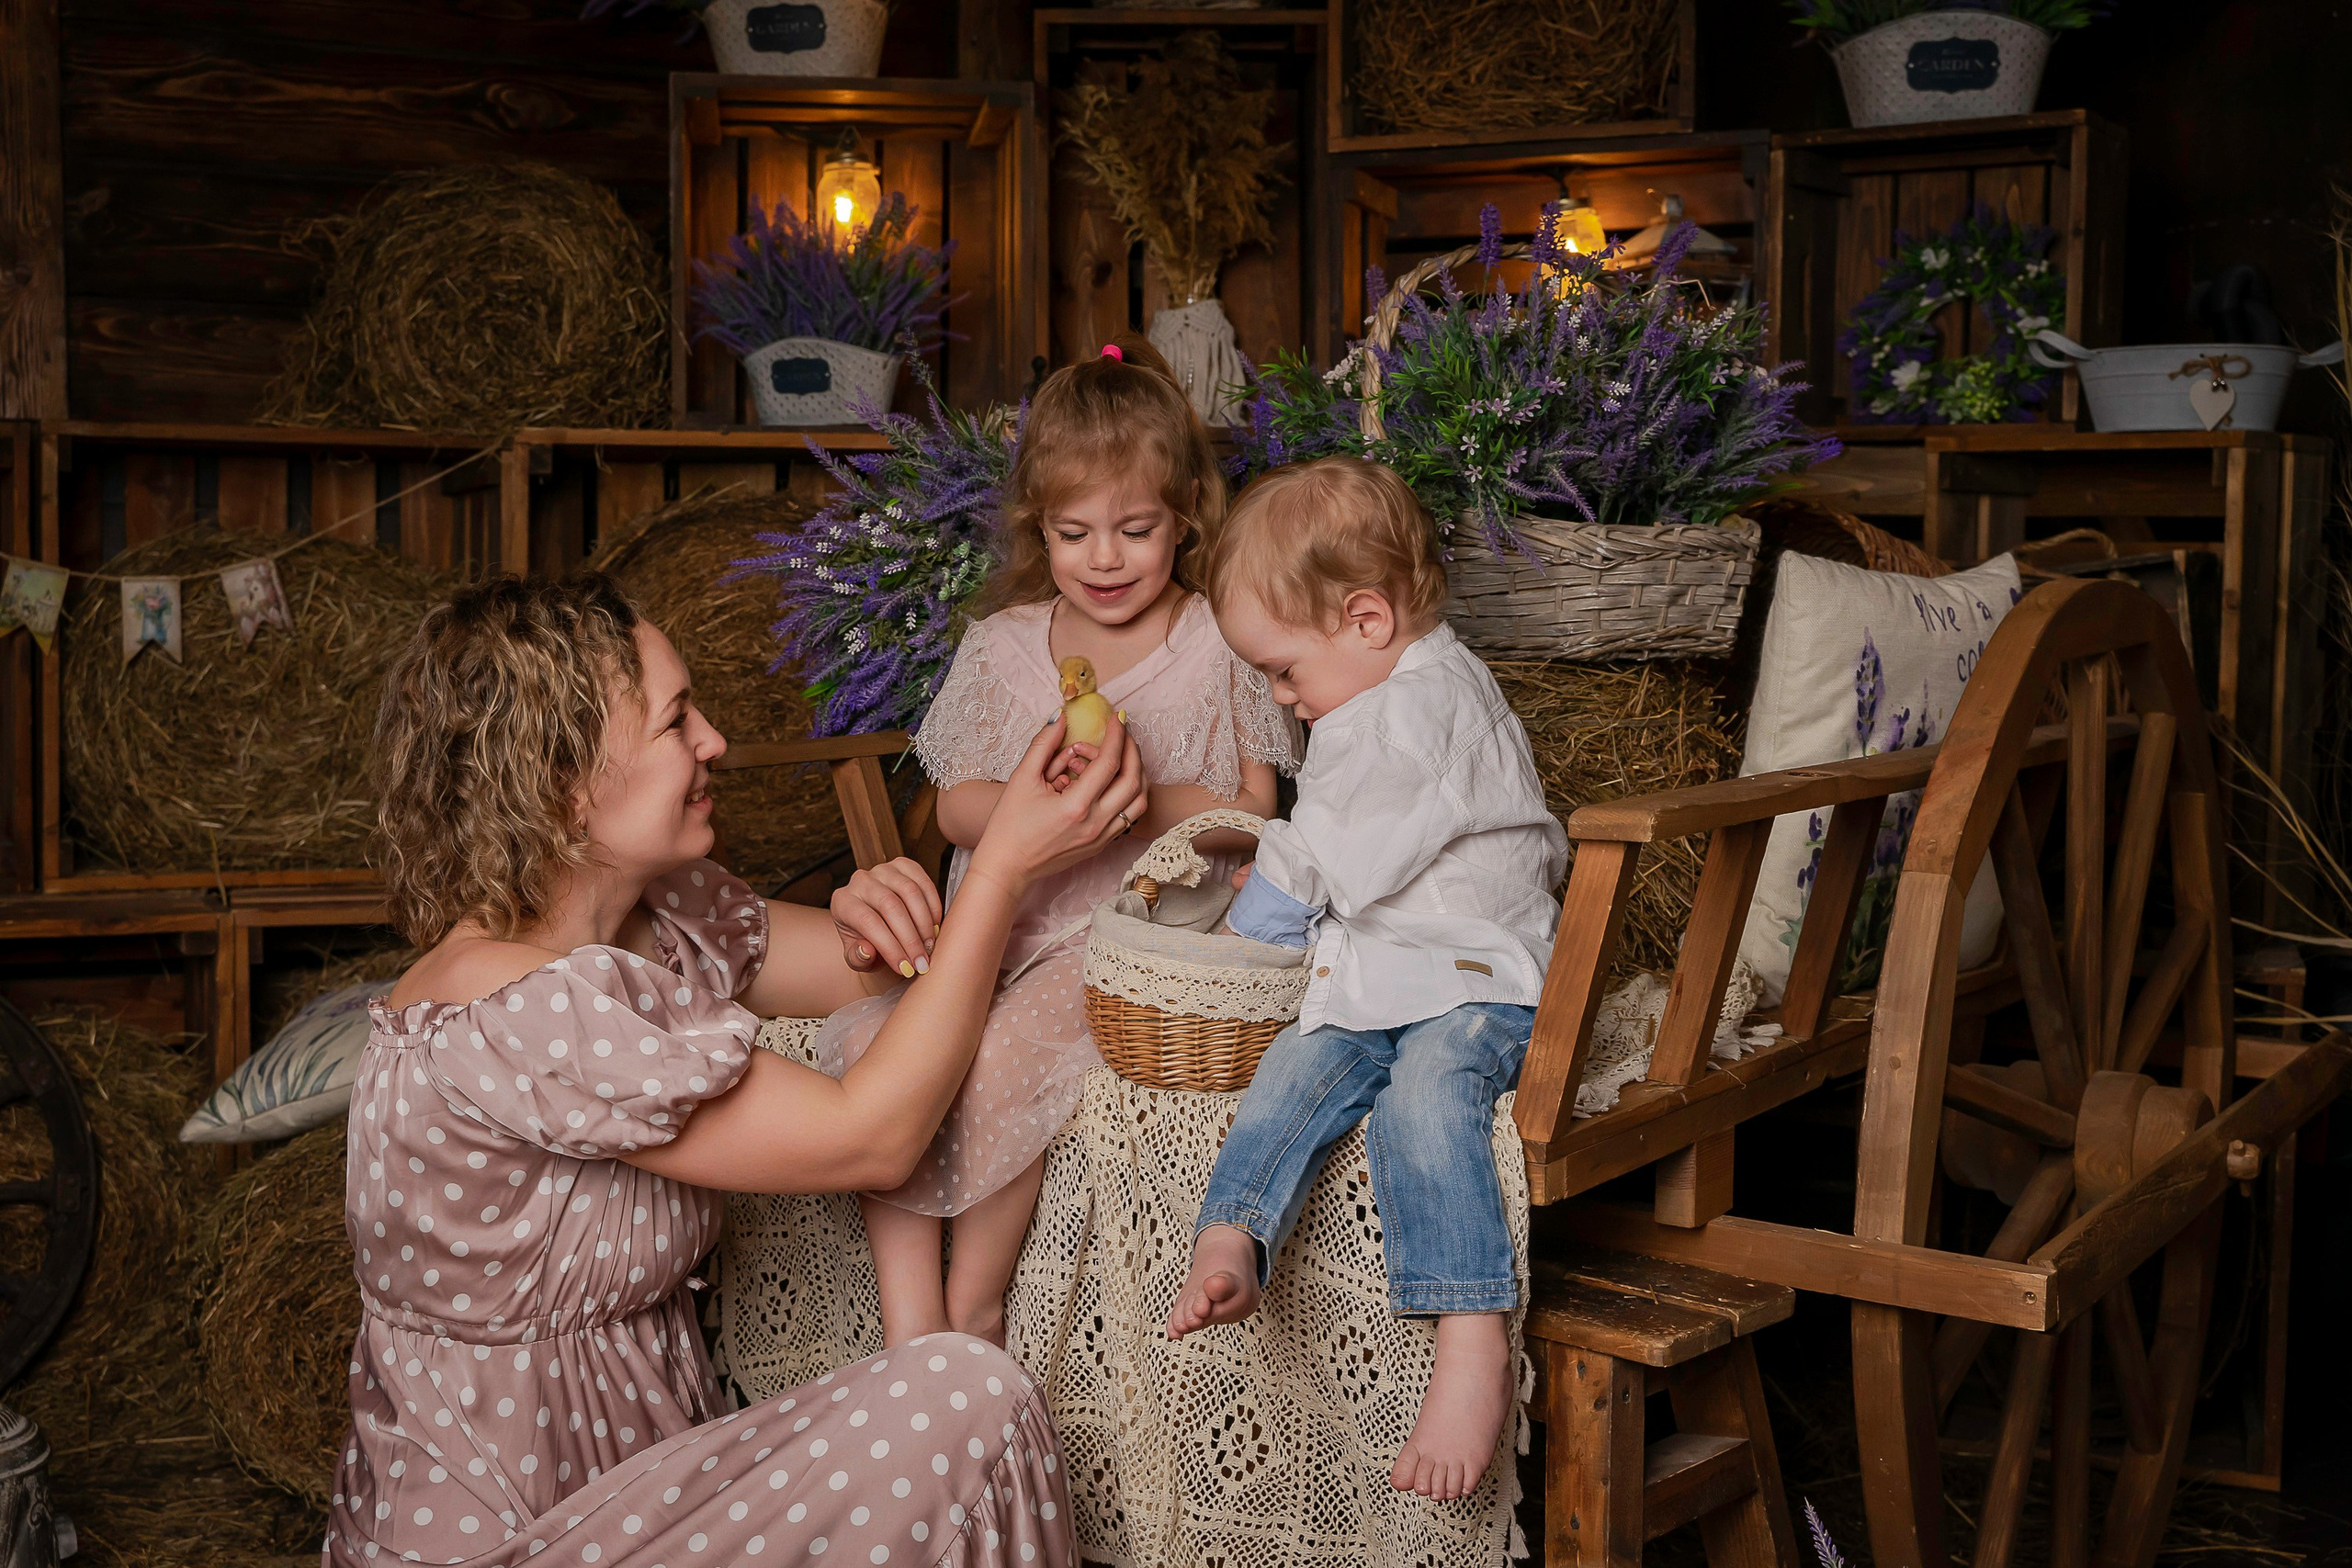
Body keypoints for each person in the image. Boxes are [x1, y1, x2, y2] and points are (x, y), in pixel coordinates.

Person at [327, 572, 1148, 1568]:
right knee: (965, 1398)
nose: (715, 741)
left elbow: (875, 981)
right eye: (676, 722)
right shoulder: (516, 1007)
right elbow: (872, 1135)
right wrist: (1006, 869)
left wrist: (882, 913)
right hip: (511, 1534)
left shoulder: (655, 922)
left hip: (648, 1486)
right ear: (562, 780)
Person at [819, 334, 1300, 1347]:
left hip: (1124, 933)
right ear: (1040, 529)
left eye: (1134, 529)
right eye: (1076, 533)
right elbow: (954, 808)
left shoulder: (1213, 638)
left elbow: (1254, 806)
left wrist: (1133, 801)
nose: (1106, 559)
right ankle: (909, 1326)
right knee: (883, 1047)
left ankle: (973, 1308)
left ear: (1184, 518)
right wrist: (1039, 806)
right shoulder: (1004, 644)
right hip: (996, 921)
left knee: (995, 1060)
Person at [1165, 457, 1570, 1502]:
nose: (1279, 693)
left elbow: (1332, 854)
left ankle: (1470, 1329)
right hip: (1395, 962)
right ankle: (1235, 1230)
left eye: (1283, 669)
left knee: (1427, 1090)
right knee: (1300, 1057)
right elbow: (1342, 841)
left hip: (1479, 970)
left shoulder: (1408, 710)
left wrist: (1249, 927)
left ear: (1366, 618)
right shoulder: (1379, 690)